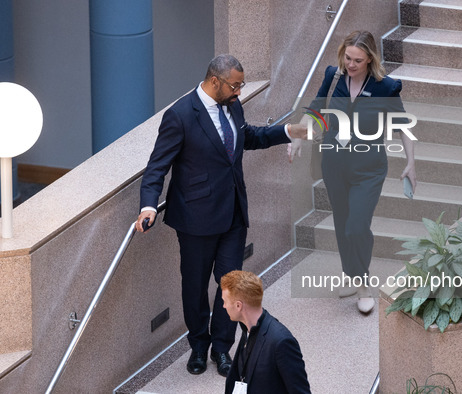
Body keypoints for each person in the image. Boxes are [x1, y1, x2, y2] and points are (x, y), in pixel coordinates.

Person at [135, 54, 307, 377]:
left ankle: (221, 349)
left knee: (231, 286)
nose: (239, 92)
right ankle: (199, 347)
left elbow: (250, 137)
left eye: (240, 86)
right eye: (235, 85)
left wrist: (288, 130)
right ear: (215, 81)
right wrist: (148, 205)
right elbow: (157, 166)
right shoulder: (181, 115)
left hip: (232, 215)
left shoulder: (232, 106)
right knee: (195, 287)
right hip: (195, 219)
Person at [289, 30, 417, 314]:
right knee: (342, 225)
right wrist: (298, 136)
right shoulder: (334, 77)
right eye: (348, 57)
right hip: (334, 165)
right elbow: (315, 111)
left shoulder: (385, 87)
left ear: (370, 59)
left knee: (356, 227)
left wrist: (410, 163)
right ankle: (354, 273)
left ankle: (363, 284)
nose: (351, 64)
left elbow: (403, 126)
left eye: (358, 60)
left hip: (369, 169)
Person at [221, 270, 311, 394]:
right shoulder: (246, 327)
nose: (224, 306)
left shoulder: (282, 342)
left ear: (238, 306)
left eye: (225, 301)